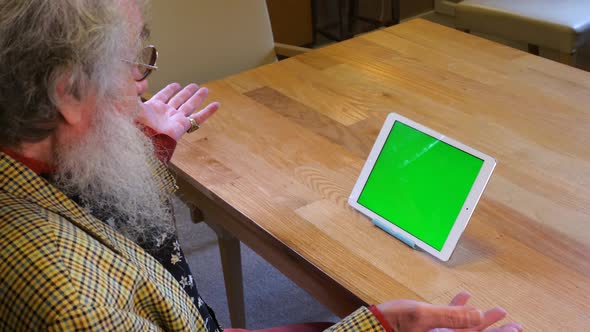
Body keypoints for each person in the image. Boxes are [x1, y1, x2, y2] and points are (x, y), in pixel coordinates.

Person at [0, 0, 523, 331]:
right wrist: (378, 326)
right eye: (133, 60)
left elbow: (111, 237)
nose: (144, 81)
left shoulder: (35, 164)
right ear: (68, 90)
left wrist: (147, 147)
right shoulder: (71, 301)